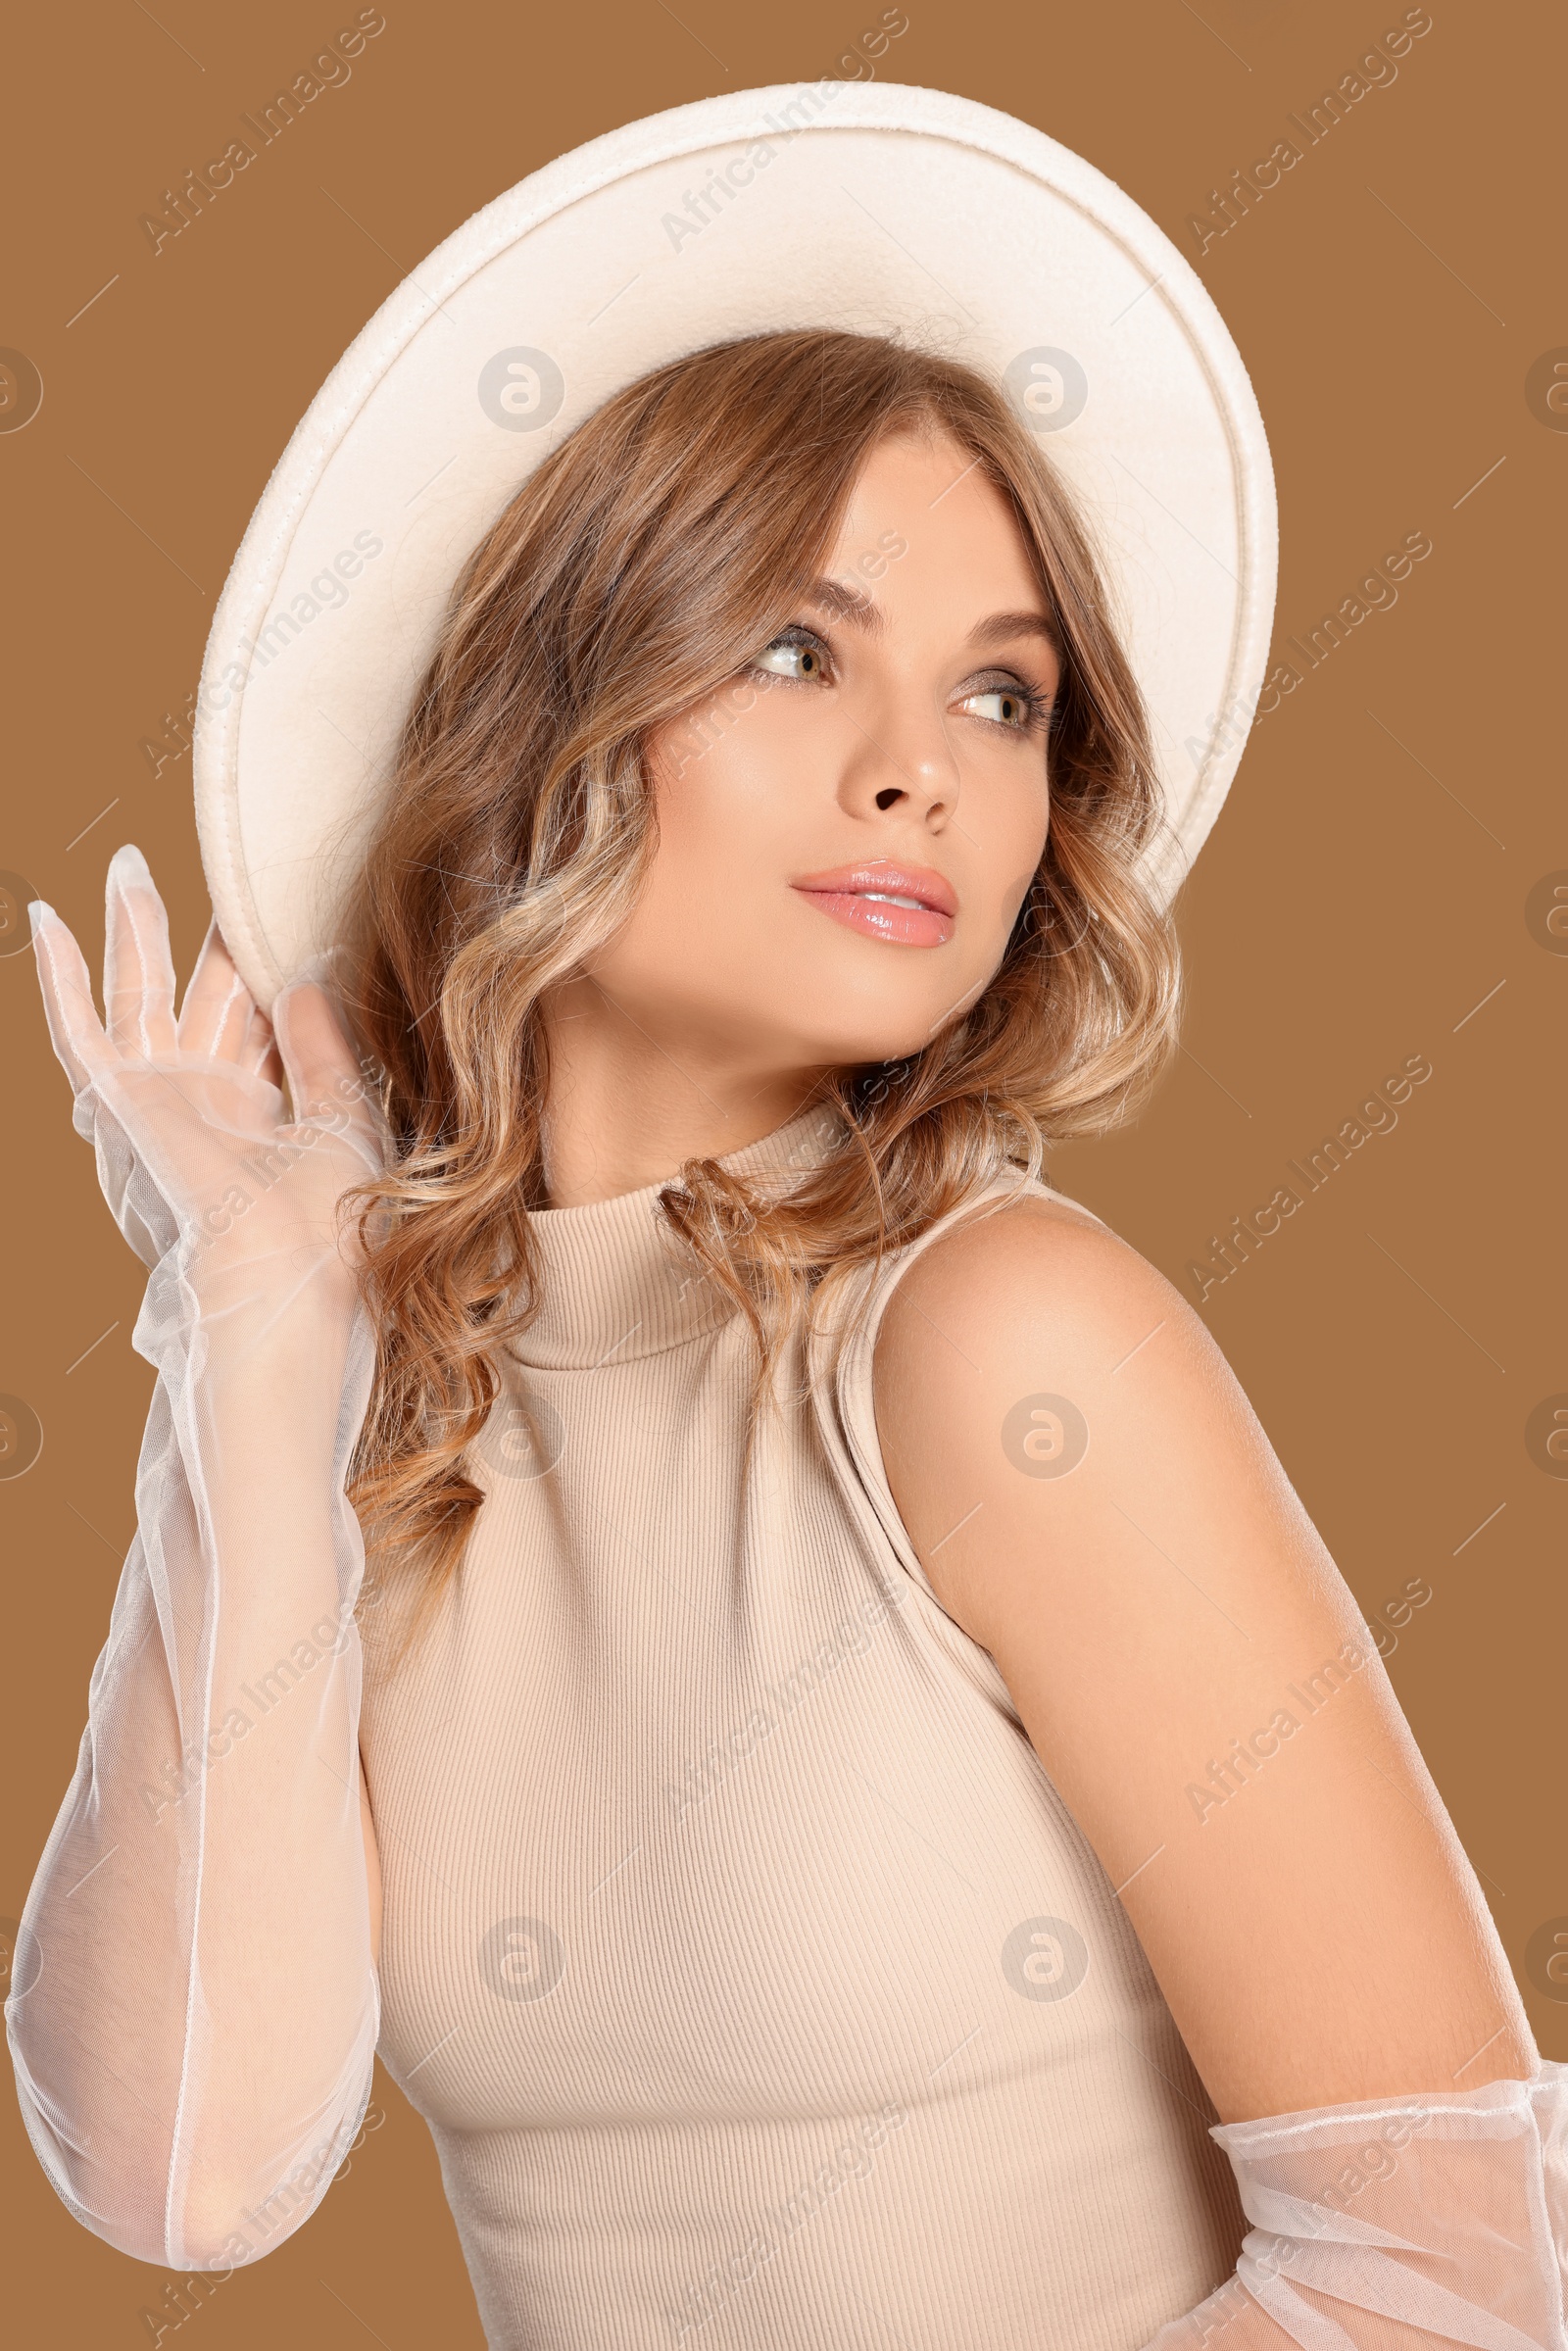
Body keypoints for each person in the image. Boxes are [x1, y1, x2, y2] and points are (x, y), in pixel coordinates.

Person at [10, 87, 1567, 2351]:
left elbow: (1454, 2272)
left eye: (1003, 690)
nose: (922, 762)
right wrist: (245, 1325)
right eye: (789, 647)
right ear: (544, 715)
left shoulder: (994, 1342)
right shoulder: (383, 1412)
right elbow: (181, 2177)